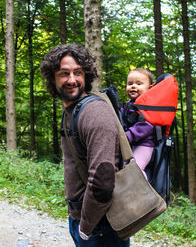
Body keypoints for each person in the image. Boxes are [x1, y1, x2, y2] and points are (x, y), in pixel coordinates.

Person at [40, 43, 130, 247]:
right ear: (52, 78)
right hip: (85, 220)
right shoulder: (71, 110)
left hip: (101, 226)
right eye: (64, 73)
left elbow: (103, 180)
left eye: (77, 73)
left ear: (86, 76)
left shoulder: (94, 113)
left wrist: (86, 227)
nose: (71, 80)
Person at [121, 68, 155, 179]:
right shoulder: (128, 105)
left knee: (136, 168)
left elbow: (147, 125)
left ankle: (143, 192)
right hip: (130, 144)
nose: (133, 86)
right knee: (125, 168)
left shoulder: (150, 105)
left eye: (139, 84)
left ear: (150, 88)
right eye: (130, 83)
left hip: (145, 144)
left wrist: (128, 135)